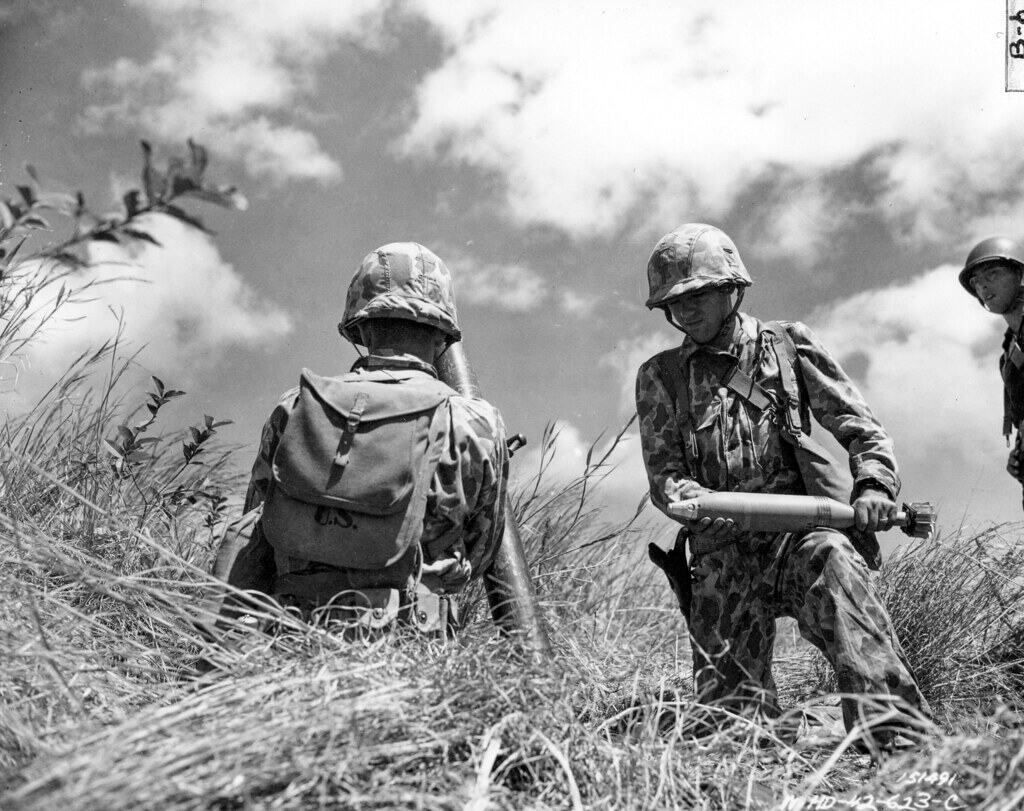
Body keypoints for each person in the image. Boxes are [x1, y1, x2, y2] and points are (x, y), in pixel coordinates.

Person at [635, 222, 929, 748]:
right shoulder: (662, 376)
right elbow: (665, 477)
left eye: (699, 295)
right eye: (675, 304)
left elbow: (862, 429)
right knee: (732, 731)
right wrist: (692, 506)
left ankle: (902, 746)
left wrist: (874, 488)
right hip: (722, 548)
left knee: (836, 565)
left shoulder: (788, 347)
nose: (688, 311)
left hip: (801, 536)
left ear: (732, 289)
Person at [213, 242, 508, 635]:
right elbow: (483, 553)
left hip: (292, 642)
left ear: (361, 327)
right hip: (417, 651)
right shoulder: (477, 423)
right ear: (442, 338)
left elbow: (259, 524)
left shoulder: (297, 406)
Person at [957, 237, 1024, 492]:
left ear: (1020, 273)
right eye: (975, 282)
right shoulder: (1007, 356)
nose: (982, 285)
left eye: (992, 274)